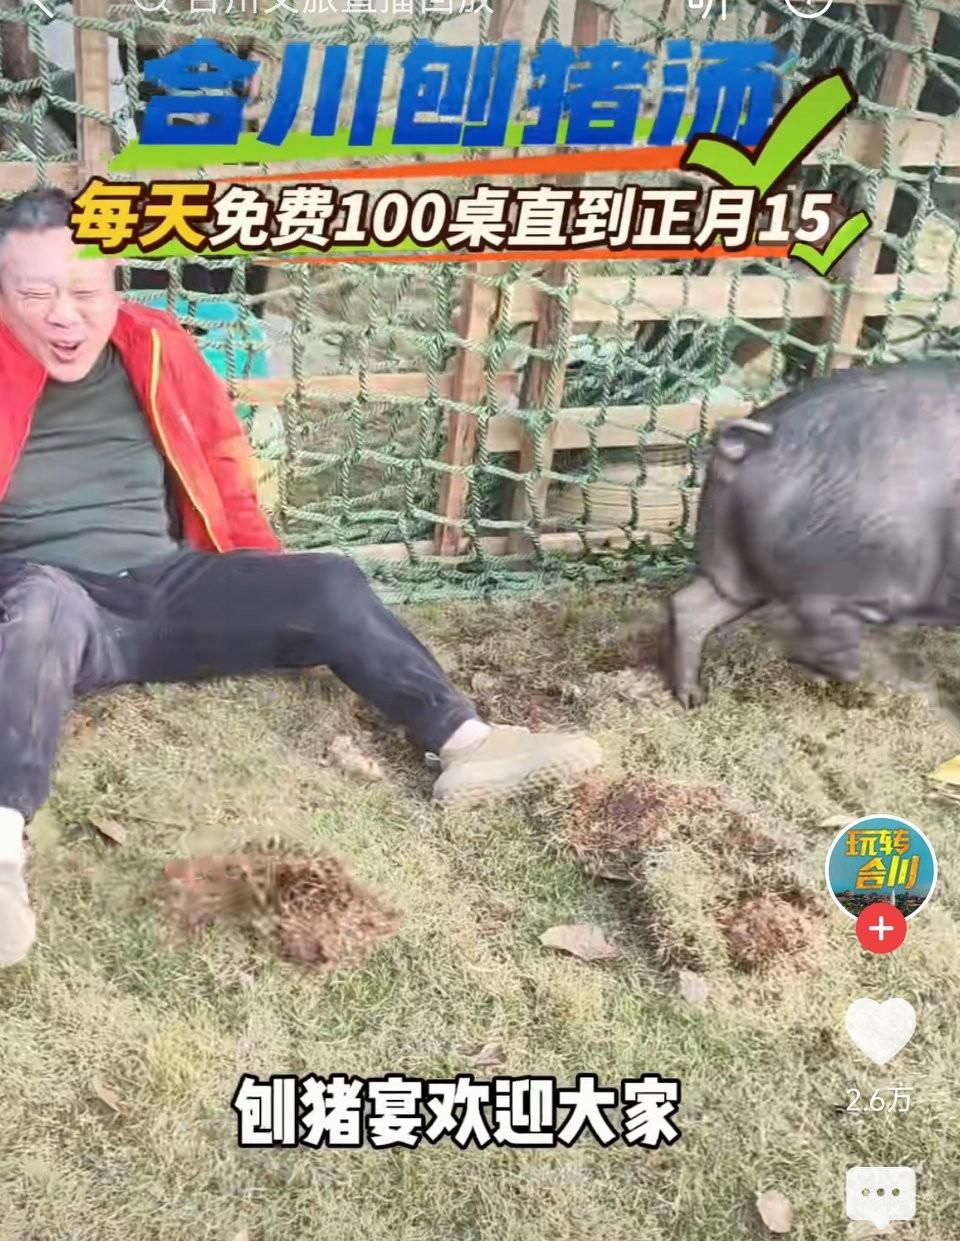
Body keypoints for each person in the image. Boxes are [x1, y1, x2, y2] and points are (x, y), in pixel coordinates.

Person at [0, 188, 603, 968]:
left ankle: (466, 743)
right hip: (53, 598)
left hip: (168, 585)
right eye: (35, 293)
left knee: (326, 581)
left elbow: (223, 460)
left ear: (114, 283)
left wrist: (261, 573)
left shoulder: (154, 343)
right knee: (39, 605)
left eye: (83, 291)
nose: (63, 315)